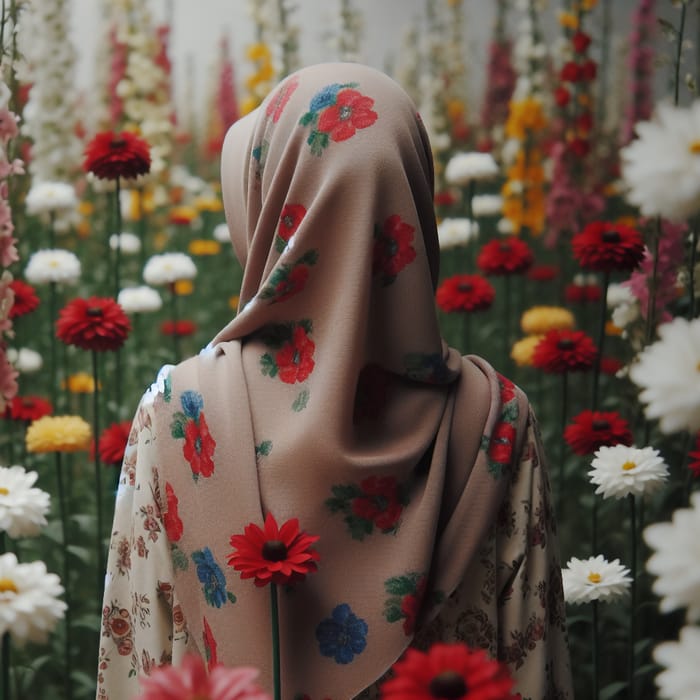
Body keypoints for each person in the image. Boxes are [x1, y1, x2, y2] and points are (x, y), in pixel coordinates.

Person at [96, 62, 573, 700]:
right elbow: (531, 658)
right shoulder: (496, 421)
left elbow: (140, 658)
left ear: (277, 210)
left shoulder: (181, 414)